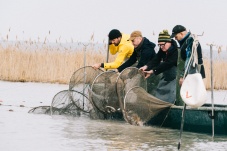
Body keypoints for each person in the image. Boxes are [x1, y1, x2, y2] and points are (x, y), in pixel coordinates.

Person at [140, 30, 178, 103]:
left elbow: (167, 64)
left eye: (163, 44)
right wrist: (146, 66)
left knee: (172, 96)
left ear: (169, 42)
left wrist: (153, 71)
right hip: (166, 77)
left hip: (174, 79)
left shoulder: (176, 51)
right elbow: (156, 59)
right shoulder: (162, 50)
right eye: (159, 45)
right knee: (159, 94)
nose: (161, 47)